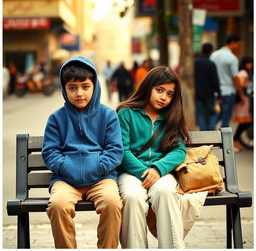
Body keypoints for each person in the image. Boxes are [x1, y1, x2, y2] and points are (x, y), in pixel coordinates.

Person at [116, 66, 208, 248]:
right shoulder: (126, 113)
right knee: (132, 197)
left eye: (170, 94)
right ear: (148, 87)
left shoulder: (172, 116)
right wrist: (144, 172)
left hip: (162, 172)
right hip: (131, 172)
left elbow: (178, 151)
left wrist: (158, 169)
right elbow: (122, 150)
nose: (164, 97)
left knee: (165, 192)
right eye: (159, 90)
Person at [42, 56, 123, 249]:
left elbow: (115, 150)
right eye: (72, 88)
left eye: (85, 86)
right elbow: (50, 152)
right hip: (66, 180)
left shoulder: (108, 115)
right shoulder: (56, 118)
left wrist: (97, 167)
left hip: (102, 178)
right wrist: (66, 167)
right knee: (57, 205)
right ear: (64, 89)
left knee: (112, 203)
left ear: (94, 86)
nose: (80, 93)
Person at [209, 34, 246, 129]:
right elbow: (235, 77)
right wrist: (241, 94)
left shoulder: (213, 55)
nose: (238, 47)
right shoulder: (232, 58)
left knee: (216, 115)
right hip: (228, 91)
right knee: (225, 118)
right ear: (233, 43)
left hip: (215, 92)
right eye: (238, 44)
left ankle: (208, 134)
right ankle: (225, 141)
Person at [194, 43, 221, 130]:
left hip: (198, 93)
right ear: (210, 52)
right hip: (209, 93)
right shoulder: (211, 64)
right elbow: (215, 81)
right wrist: (218, 93)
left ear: (202, 50)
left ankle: (203, 132)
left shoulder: (195, 63)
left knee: (201, 114)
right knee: (213, 112)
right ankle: (211, 127)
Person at [232, 56, 253, 152]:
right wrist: (242, 95)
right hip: (244, 99)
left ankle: (236, 140)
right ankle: (235, 140)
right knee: (245, 121)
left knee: (245, 121)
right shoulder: (244, 73)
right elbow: (240, 85)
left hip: (244, 98)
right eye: (249, 63)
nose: (251, 65)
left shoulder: (242, 72)